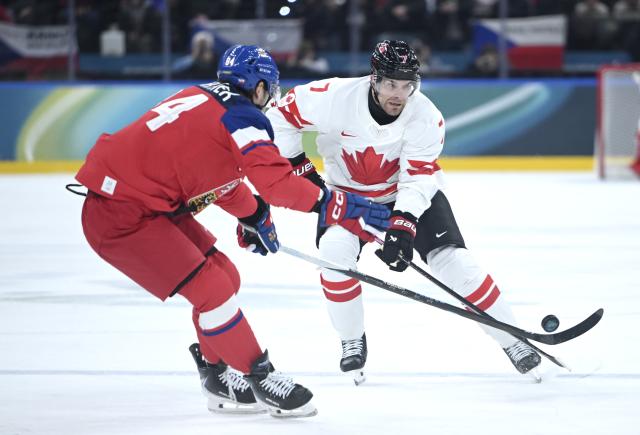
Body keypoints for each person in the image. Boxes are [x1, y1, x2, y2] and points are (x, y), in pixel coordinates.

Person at [73, 44, 390, 417]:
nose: (269, 99)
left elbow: (214, 172)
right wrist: (336, 205)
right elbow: (277, 183)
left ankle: (217, 377)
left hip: (137, 204)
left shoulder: (202, 95)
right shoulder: (243, 118)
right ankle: (260, 376)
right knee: (212, 288)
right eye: (268, 90)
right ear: (257, 88)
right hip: (122, 216)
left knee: (225, 276)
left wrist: (254, 214)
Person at [265, 40, 542, 384]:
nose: (398, 94)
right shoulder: (331, 97)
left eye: (407, 85)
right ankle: (352, 339)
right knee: (334, 258)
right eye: (390, 84)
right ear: (374, 79)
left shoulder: (425, 116)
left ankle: (513, 339)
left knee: (455, 264)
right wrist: (298, 165)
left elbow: (419, 176)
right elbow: (279, 116)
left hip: (406, 196)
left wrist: (403, 223)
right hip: (349, 199)